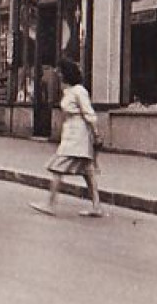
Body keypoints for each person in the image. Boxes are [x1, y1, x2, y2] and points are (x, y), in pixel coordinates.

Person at [30, 59, 103, 218]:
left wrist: (96, 134)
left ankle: (50, 204)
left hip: (78, 135)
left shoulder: (79, 91)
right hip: (72, 133)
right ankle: (96, 207)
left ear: (67, 74)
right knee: (88, 171)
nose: (58, 74)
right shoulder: (69, 91)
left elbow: (89, 114)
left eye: (61, 72)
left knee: (58, 167)